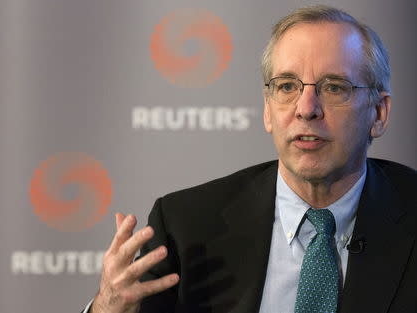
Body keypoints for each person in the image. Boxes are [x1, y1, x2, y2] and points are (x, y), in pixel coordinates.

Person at [83, 5, 416, 313]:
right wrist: (104, 308)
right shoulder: (188, 227)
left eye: (334, 88)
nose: (306, 109)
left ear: (379, 113)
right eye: (287, 87)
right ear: (268, 110)